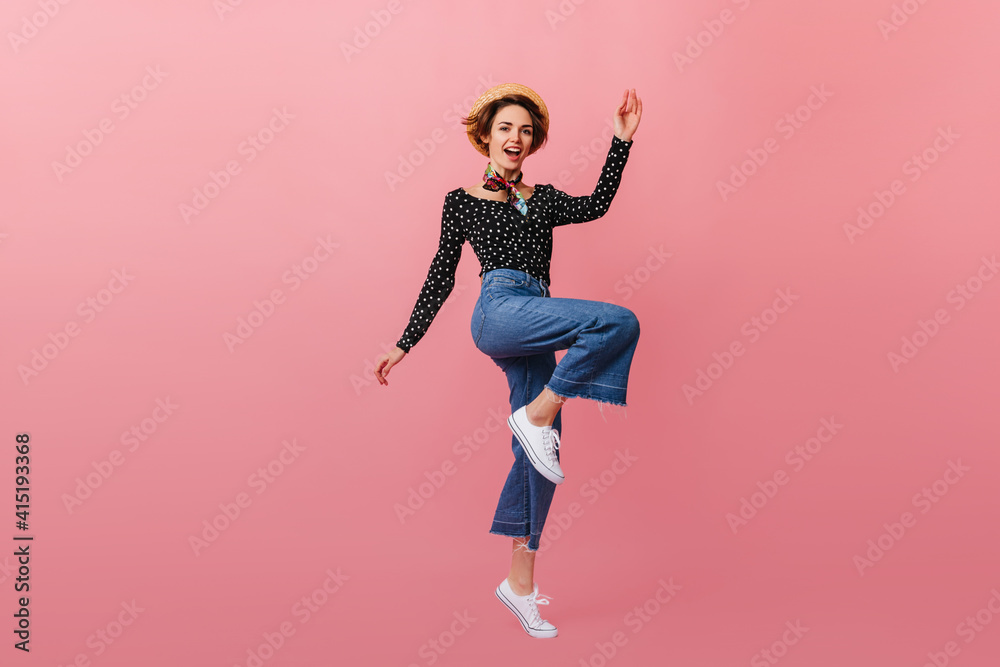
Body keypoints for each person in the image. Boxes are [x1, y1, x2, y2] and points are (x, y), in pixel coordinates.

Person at [374, 82, 642, 638]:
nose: (515, 137)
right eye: (505, 128)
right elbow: (441, 275)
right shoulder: (461, 200)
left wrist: (620, 142)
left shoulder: (542, 198)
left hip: (537, 318)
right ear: (485, 137)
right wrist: (405, 342)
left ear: (533, 141)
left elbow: (596, 205)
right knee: (617, 320)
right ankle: (538, 412)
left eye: (524, 130)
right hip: (498, 311)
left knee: (540, 459)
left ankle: (519, 585)